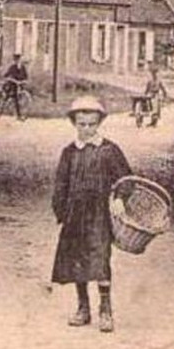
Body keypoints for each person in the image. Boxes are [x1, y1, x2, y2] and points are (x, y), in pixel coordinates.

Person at [50, 94, 130, 333]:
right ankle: (82, 308)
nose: (86, 129)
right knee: (77, 259)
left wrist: (119, 198)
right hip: (75, 215)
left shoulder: (109, 150)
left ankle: (105, 310)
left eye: (91, 124)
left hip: (99, 214)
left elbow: (126, 179)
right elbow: (61, 183)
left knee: (100, 258)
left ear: (99, 123)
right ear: (74, 123)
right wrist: (61, 209)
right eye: (81, 124)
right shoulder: (70, 152)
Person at [136, 61, 170, 128]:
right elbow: (147, 88)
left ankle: (154, 121)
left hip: (155, 95)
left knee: (156, 106)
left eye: (155, 73)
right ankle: (148, 117)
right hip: (150, 94)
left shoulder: (158, 81)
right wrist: (145, 95)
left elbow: (162, 88)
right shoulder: (150, 81)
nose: (154, 74)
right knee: (149, 103)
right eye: (153, 73)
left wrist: (165, 94)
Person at [0, 52, 31, 118]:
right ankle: (0, 113)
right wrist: (11, 79)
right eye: (16, 59)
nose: (18, 61)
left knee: (20, 97)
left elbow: (26, 76)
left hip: (20, 84)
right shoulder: (12, 67)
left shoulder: (23, 67)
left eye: (19, 59)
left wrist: (25, 81)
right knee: (10, 98)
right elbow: (6, 75)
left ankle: (21, 113)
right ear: (15, 60)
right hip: (12, 84)